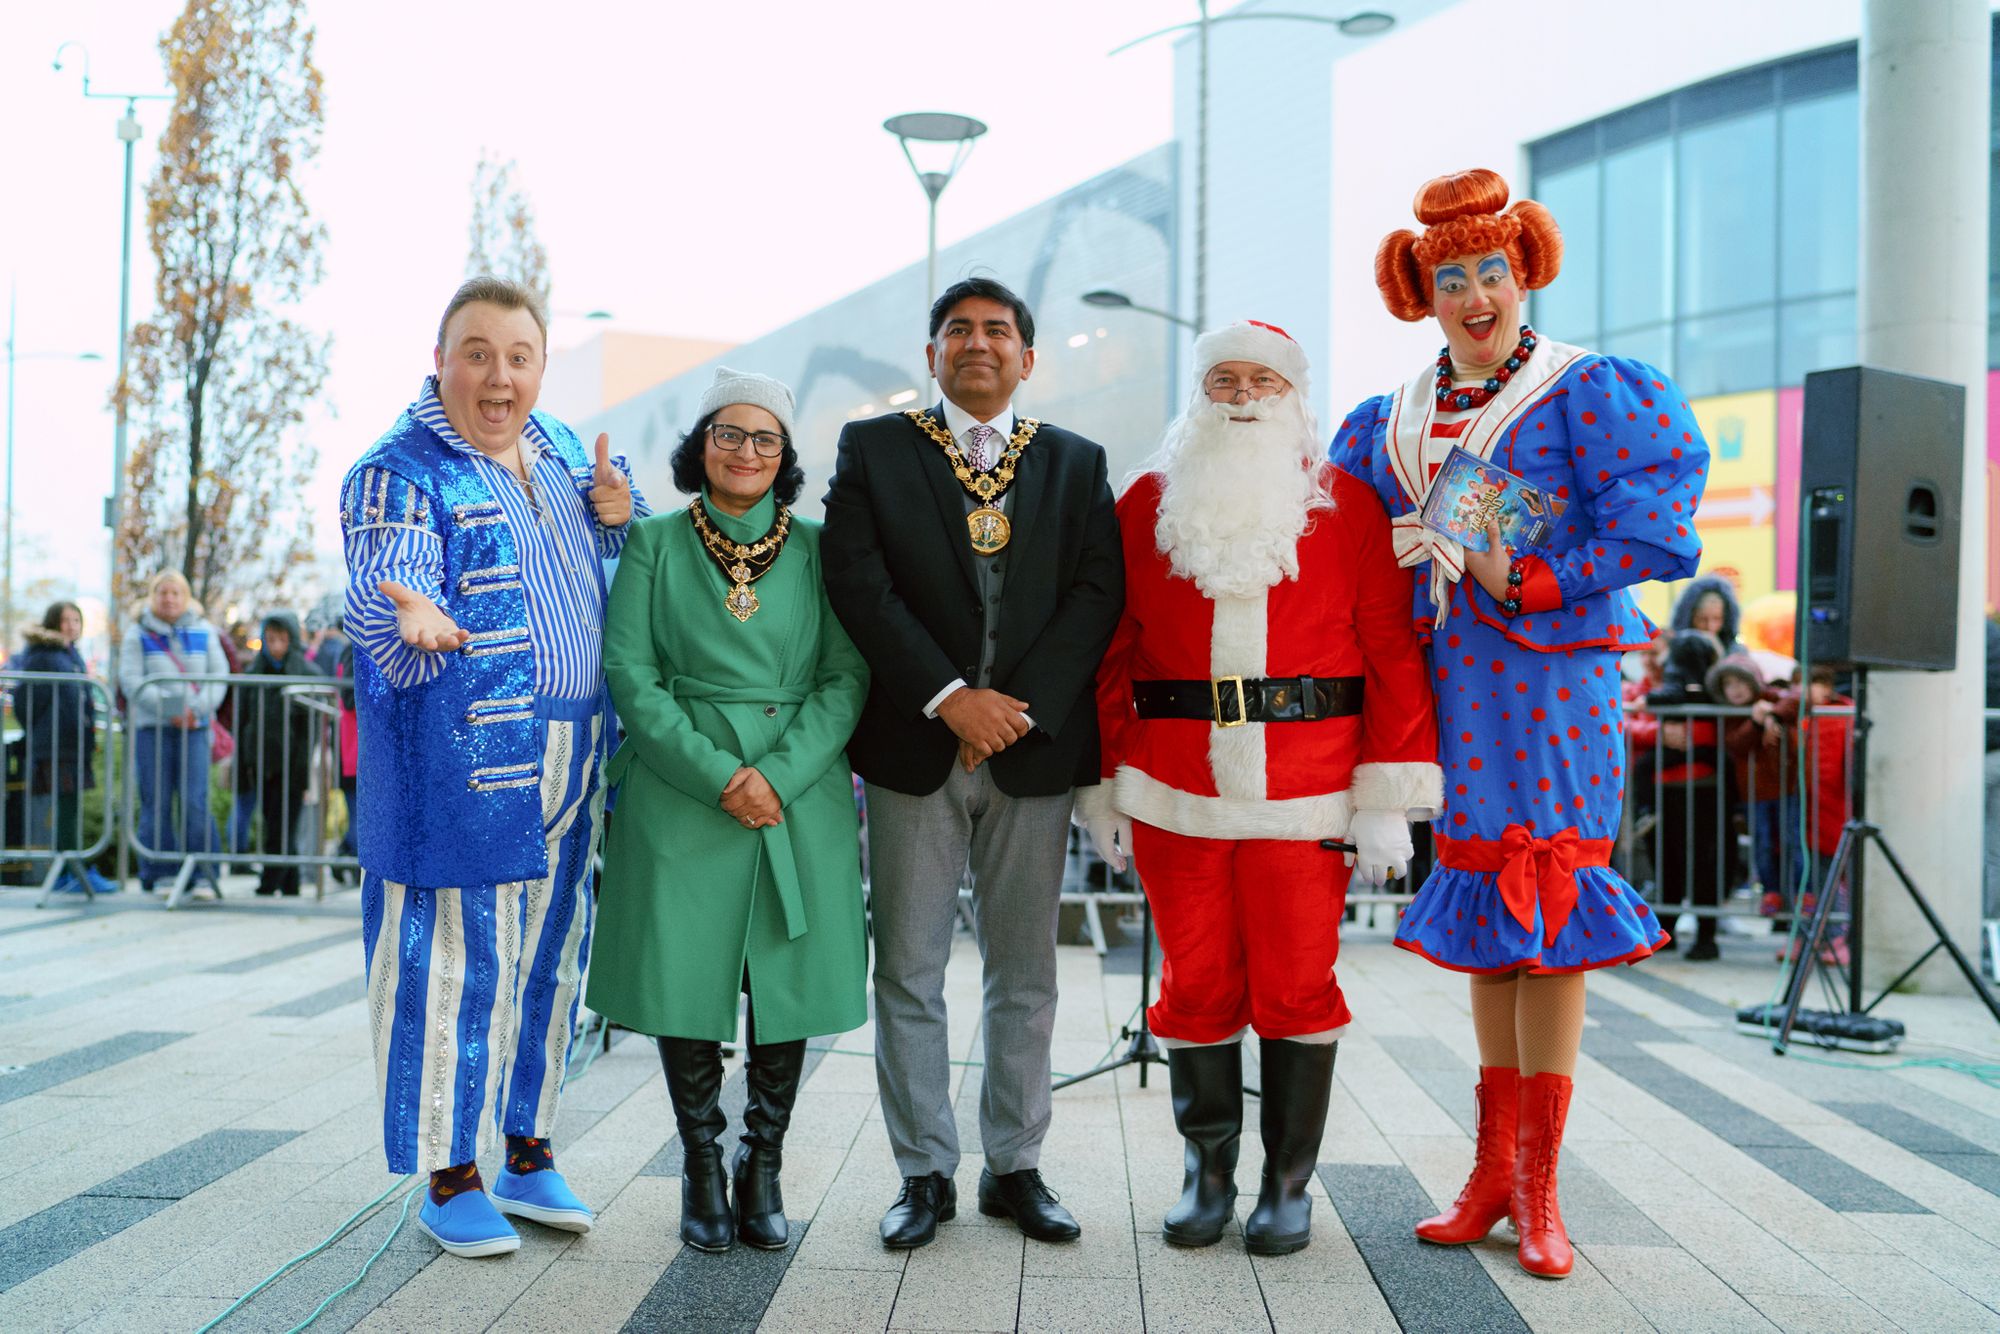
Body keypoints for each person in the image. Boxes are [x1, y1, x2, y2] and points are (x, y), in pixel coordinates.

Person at [1330, 168, 1708, 1279]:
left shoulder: (1587, 390)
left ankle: (1538, 1187)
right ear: (1422, 292)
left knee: (1546, 915)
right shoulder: (1387, 415)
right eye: (1450, 277)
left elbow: (1650, 532)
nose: (1473, 294)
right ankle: (1492, 1170)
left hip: (1551, 690)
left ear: (1521, 270)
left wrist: (1529, 574)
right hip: (1453, 690)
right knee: (1494, 924)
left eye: (1489, 270)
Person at [1077, 323, 1440, 1254]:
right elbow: (1110, 651)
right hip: (1173, 786)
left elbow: (1392, 650)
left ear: (1294, 395)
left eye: (1262, 380)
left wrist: (1386, 795)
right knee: (1195, 983)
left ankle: (1288, 1183)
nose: (1242, 395)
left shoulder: (1349, 505)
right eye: (1224, 379)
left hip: (1309, 791)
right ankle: (1207, 1175)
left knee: (1295, 983)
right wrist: (1106, 781)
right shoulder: (1144, 502)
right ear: (1200, 396)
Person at [340, 276, 646, 1259]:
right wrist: (408, 611)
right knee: (455, 968)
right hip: (463, 760)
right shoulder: (400, 468)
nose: (498, 375)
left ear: (541, 365)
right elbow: (388, 575)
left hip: (574, 748)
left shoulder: (561, 447)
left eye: (517, 355)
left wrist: (617, 517)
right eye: (476, 352)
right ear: (439, 360)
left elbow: (609, 565)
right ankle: (448, 1170)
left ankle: (524, 1144)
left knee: (550, 961)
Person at [822, 276, 1124, 1250]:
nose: (978, 342)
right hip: (915, 748)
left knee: (1024, 968)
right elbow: (858, 583)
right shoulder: (874, 448)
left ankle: (1015, 1163)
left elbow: (1095, 592)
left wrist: (1008, 709)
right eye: (958, 329)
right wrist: (952, 697)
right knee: (907, 966)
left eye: (997, 329)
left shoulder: (1077, 463)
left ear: (1028, 357)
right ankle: (922, 1172)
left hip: (1030, 754)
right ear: (932, 354)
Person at [590, 368, 869, 1254]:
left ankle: (764, 1163)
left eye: (764, 440)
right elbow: (630, 676)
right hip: (683, 791)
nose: (745, 452)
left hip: (797, 788)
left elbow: (845, 674)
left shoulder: (824, 547)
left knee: (783, 983)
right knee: (687, 977)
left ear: (784, 457)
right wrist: (719, 774)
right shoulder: (656, 544)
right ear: (700, 443)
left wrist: (777, 776)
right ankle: (702, 1165)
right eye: (728, 434)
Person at [118, 570, 230, 895]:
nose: (168, 599)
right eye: (162, 593)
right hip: (153, 728)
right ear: (153, 597)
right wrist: (169, 709)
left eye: (175, 593)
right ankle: (160, 871)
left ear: (185, 597)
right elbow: (131, 679)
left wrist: (197, 710)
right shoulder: (136, 634)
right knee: (156, 801)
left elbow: (219, 674)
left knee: (196, 800)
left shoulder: (205, 631)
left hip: (194, 727)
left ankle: (203, 873)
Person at [1628, 628, 1726, 959]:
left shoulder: (1700, 689)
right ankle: (1668, 928)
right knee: (1667, 860)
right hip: (1667, 784)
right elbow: (1623, 720)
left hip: (1699, 786)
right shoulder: (1660, 687)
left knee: (1700, 863)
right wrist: (1661, 731)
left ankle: (1704, 934)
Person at [15, 601, 112, 895]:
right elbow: (28, 701)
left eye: (76, 620)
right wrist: (42, 729)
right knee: (66, 807)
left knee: (70, 806)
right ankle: (68, 870)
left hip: (74, 741)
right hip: (55, 743)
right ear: (52, 622)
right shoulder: (45, 656)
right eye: (65, 620)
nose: (71, 626)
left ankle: (72, 868)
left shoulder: (72, 655)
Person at [236, 612, 318, 896]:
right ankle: (289, 880)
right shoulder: (253, 674)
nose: (276, 645)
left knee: (285, 820)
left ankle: (272, 879)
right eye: (270, 639)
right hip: (261, 758)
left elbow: (312, 728)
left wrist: (303, 765)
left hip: (293, 761)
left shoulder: (307, 674)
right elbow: (244, 719)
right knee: (272, 817)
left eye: (282, 639)